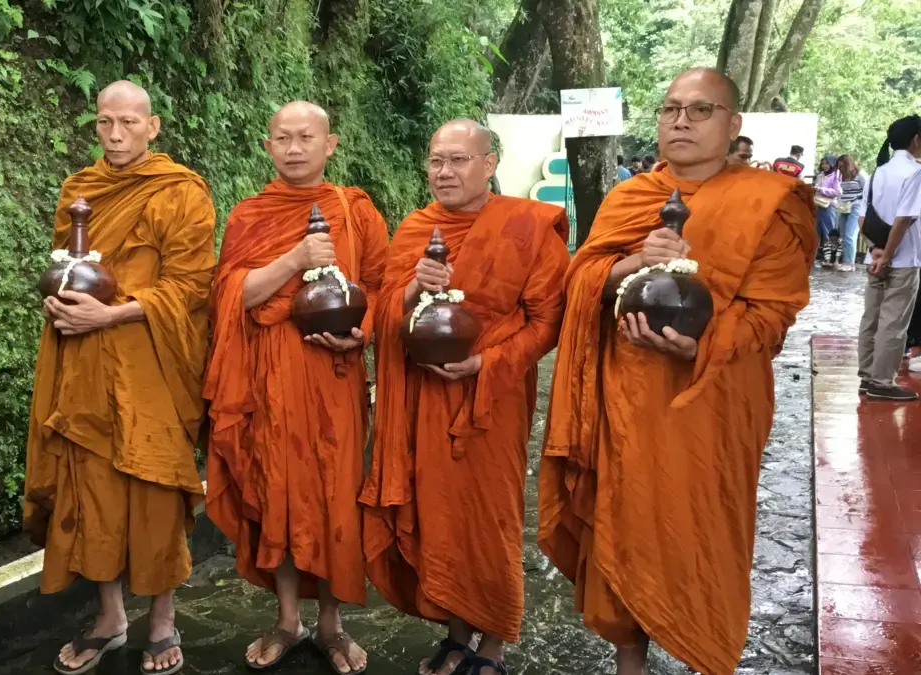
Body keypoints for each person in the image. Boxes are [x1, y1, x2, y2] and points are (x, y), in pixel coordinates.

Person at [538, 68, 816, 675]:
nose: (681, 121)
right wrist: (634, 260)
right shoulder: (628, 196)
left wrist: (700, 347)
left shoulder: (769, 202)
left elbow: (773, 314)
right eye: (670, 110)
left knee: (704, 534)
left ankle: (704, 654)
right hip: (628, 399)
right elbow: (581, 278)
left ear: (733, 124)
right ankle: (629, 664)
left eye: (700, 110)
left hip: (711, 400)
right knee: (624, 524)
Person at [360, 119, 571, 675]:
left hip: (491, 401)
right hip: (424, 400)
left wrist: (487, 363)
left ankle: (494, 642)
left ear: (489, 164)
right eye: (436, 160)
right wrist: (411, 287)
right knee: (437, 513)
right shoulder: (414, 229)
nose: (444, 172)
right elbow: (381, 312)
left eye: (458, 160)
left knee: (490, 514)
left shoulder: (527, 226)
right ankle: (456, 634)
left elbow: (548, 321)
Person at [23, 80, 217, 675]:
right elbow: (67, 268)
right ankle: (110, 617)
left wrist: (114, 312)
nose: (115, 134)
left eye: (128, 123)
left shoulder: (182, 193)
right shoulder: (79, 191)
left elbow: (191, 286)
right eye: (105, 122)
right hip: (84, 363)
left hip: (151, 361)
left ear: (152, 127)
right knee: (91, 491)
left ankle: (162, 619)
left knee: (156, 489)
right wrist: (61, 305)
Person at [204, 101, 389, 674]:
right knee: (276, 490)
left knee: (335, 492)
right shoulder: (248, 216)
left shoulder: (355, 211)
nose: (293, 147)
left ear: (329, 145)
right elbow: (234, 296)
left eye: (305, 137)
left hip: (332, 375)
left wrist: (360, 333)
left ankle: (332, 624)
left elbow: (383, 287)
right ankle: (288, 619)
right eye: (281, 138)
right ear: (267, 147)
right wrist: (295, 257)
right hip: (268, 378)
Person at [857, 115, 921, 400]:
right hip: (903, 260)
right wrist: (890, 254)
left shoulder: (877, 172)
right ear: (916, 139)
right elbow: (903, 219)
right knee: (893, 324)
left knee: (871, 318)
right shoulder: (915, 173)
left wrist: (875, 250)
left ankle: (867, 375)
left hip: (877, 258)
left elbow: (863, 218)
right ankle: (882, 382)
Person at [835, 154, 868, 272]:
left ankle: (850, 263)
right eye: (839, 167)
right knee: (843, 236)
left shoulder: (860, 175)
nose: (840, 169)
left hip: (856, 207)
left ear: (848, 165)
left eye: (842, 166)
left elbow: (867, 191)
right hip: (843, 207)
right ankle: (846, 261)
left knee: (850, 235)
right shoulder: (840, 176)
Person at [814, 154, 843, 267]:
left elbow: (838, 192)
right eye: (823, 163)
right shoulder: (820, 175)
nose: (824, 165)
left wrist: (821, 189)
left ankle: (830, 260)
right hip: (818, 206)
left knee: (829, 234)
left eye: (827, 163)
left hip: (828, 206)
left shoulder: (836, 175)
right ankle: (814, 258)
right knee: (816, 233)